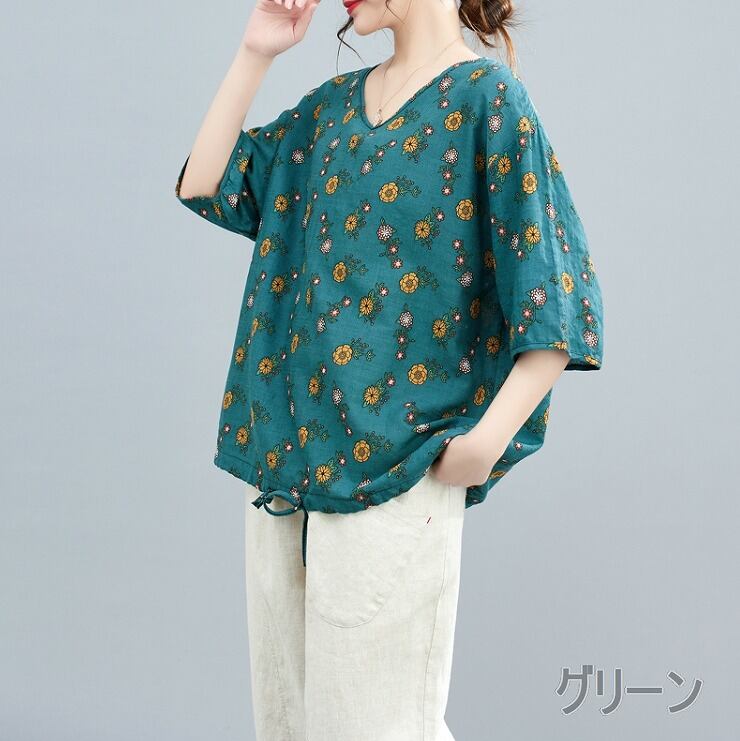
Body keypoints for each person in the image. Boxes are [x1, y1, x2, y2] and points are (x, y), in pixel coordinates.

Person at [175, 0, 605, 737]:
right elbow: (206, 183)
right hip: (284, 475)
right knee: (286, 725)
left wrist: (485, 441)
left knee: (376, 725)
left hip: (396, 477)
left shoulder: (487, 100)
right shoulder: (329, 110)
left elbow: (553, 296)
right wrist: (255, 52)